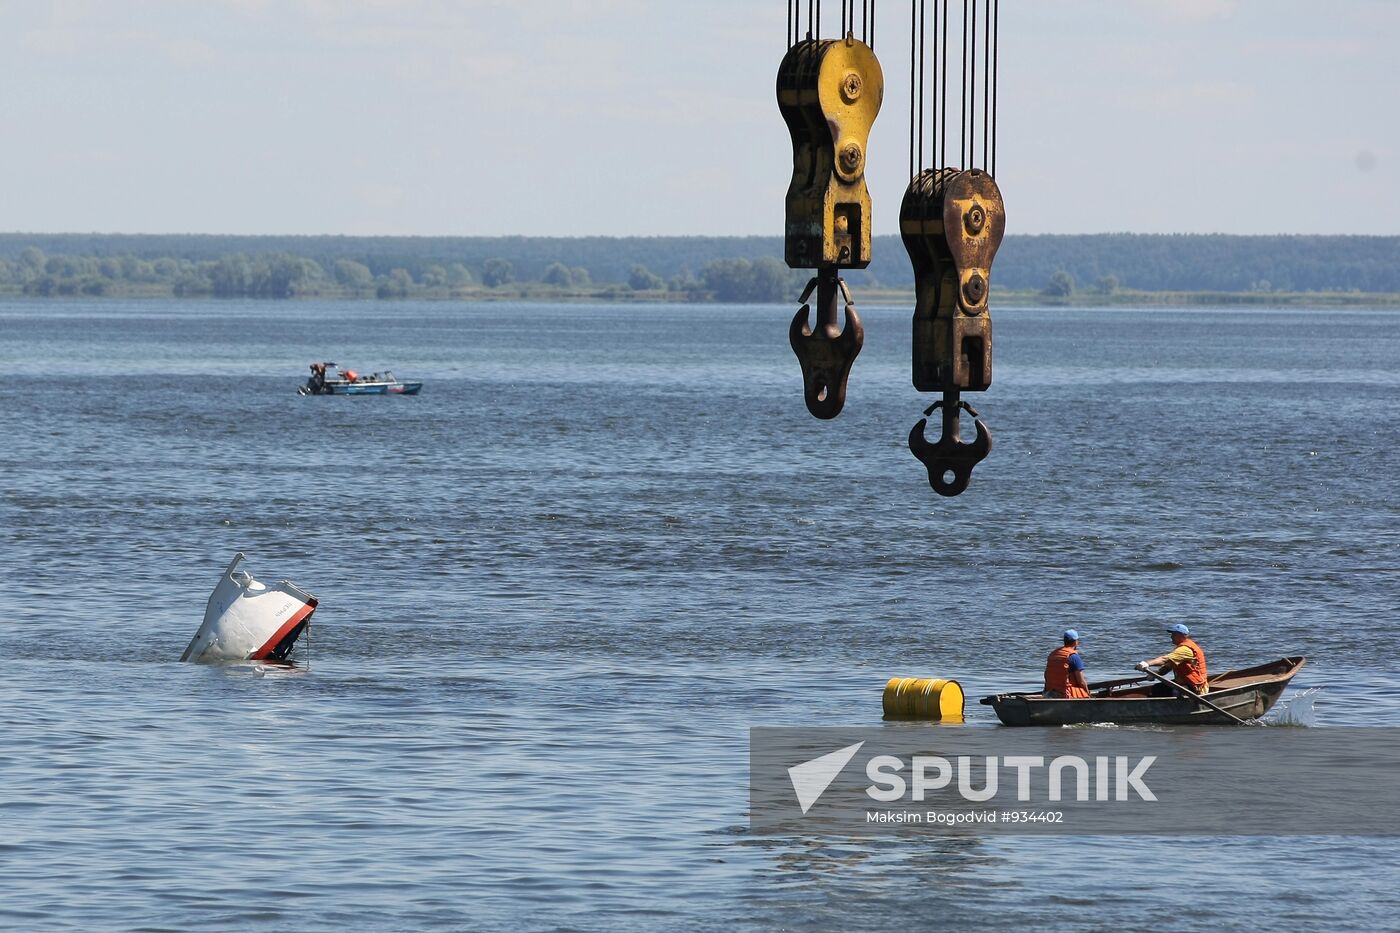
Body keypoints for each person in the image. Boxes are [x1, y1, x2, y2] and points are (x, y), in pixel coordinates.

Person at [1137, 623, 1208, 695]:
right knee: (1157, 688)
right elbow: (1169, 666)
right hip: (1187, 682)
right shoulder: (1181, 648)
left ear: (1182, 636)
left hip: (1194, 686)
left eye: (1174, 635)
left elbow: (1164, 660)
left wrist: (1147, 663)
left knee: (1167, 691)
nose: (1171, 637)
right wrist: (1156, 674)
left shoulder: (1185, 649)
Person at [1044, 629, 1090, 699]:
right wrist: (1088, 694)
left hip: (1049, 693)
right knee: (1083, 692)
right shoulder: (1074, 657)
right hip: (1064, 694)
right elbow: (1081, 682)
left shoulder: (1052, 654)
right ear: (1075, 642)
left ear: (1064, 641)